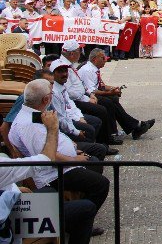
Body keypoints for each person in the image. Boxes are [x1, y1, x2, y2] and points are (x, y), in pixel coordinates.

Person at [9, 79, 110, 238]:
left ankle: (79, 213)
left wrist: (72, 149)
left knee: (95, 162)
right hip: (52, 173)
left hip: (60, 164)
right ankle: (79, 221)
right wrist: (74, 160)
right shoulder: (28, 124)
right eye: (50, 93)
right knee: (102, 184)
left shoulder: (32, 113)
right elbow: (48, 157)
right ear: (45, 99)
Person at [79, 48, 155, 140]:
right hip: (85, 96)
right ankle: (118, 131)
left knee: (113, 98)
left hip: (91, 94)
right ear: (95, 59)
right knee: (108, 102)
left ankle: (134, 126)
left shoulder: (94, 69)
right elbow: (92, 91)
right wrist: (109, 92)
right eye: (103, 58)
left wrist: (113, 89)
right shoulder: (87, 70)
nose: (105, 60)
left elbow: (101, 86)